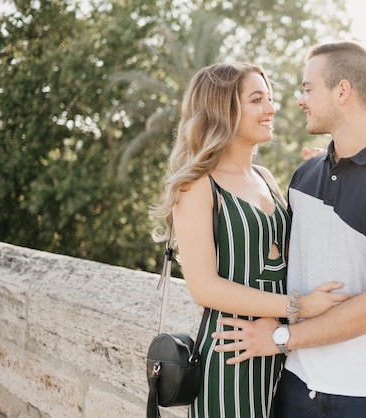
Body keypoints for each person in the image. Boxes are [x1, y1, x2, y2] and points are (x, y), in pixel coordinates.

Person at [213, 41, 366, 418]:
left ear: (342, 91)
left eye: (308, 89)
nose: (300, 100)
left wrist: (281, 337)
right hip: (297, 385)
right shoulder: (305, 175)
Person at [149, 62, 351, 418]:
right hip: (232, 357)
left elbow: (294, 255)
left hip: (279, 354)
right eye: (257, 99)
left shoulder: (266, 177)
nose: (271, 108)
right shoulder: (196, 185)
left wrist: (325, 175)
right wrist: (298, 307)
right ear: (221, 110)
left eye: (269, 98)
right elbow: (205, 289)